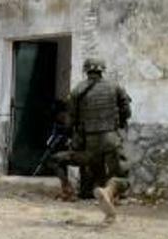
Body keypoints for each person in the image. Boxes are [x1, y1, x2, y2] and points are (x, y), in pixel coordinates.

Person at [55, 58, 132, 223]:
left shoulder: (77, 91)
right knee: (122, 176)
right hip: (111, 139)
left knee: (90, 166)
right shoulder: (115, 87)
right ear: (102, 70)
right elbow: (127, 112)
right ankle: (110, 191)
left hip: (89, 143)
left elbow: (71, 121)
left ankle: (83, 191)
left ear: (86, 70)